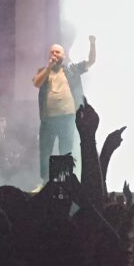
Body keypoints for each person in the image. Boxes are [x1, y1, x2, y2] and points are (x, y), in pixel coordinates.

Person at [32, 37, 96, 181]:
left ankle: (66, 180)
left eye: (57, 52)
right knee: (45, 152)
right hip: (48, 119)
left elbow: (91, 61)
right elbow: (36, 83)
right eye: (52, 52)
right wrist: (48, 67)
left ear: (63, 55)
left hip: (67, 118)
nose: (54, 54)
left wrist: (92, 43)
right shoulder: (43, 71)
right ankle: (45, 181)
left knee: (66, 151)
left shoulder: (71, 70)